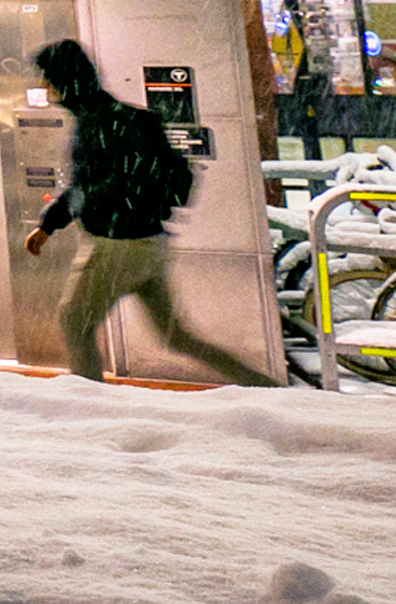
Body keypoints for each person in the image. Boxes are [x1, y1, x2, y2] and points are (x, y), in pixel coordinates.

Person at [24, 39, 276, 387]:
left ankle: (90, 408)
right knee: (177, 337)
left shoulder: (98, 122)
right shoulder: (121, 116)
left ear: (64, 82)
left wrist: (53, 222)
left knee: (74, 320)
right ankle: (263, 386)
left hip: (116, 246)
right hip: (149, 242)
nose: (43, 87)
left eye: (47, 79)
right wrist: (54, 222)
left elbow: (98, 185)